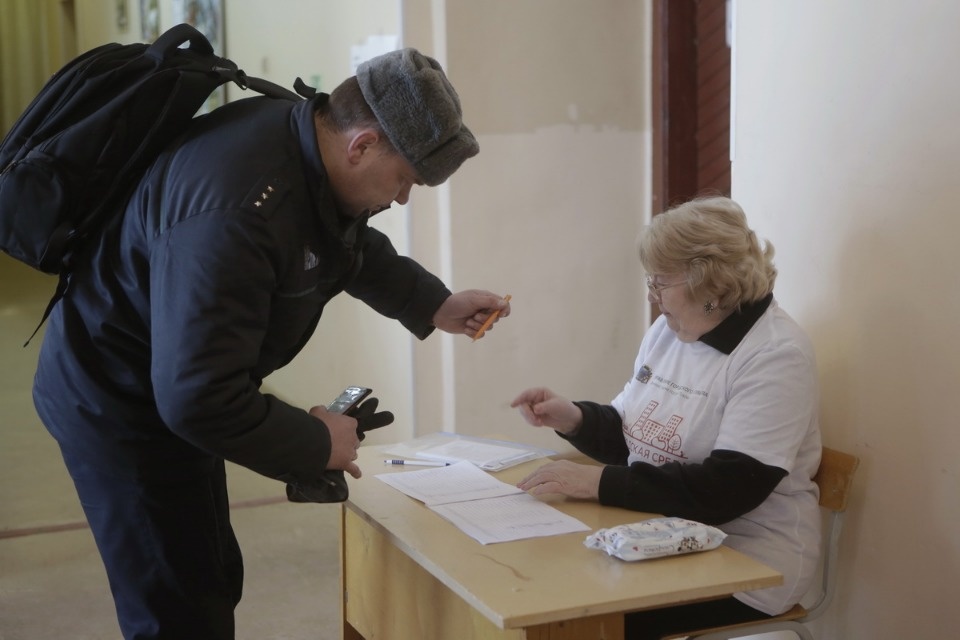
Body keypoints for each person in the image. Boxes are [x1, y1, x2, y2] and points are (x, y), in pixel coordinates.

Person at [32, 47, 510, 640]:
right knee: (175, 604)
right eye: (406, 179)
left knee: (207, 572)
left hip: (168, 374)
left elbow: (342, 239)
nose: (403, 197)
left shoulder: (304, 137)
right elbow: (196, 399)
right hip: (118, 399)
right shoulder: (238, 213)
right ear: (361, 146)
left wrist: (432, 303)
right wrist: (315, 442)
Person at [510, 196, 820, 639]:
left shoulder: (775, 354)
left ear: (710, 286)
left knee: (570, 618)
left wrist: (595, 483)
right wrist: (575, 419)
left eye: (661, 283)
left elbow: (730, 487)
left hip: (750, 562)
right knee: (540, 589)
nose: (652, 296)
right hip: (662, 536)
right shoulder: (670, 332)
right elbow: (634, 438)